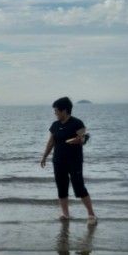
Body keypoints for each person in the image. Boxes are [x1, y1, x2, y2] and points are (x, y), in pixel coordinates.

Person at [40, 96, 97, 224]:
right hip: (58, 161)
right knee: (61, 188)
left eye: (56, 111)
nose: (55, 113)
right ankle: (65, 214)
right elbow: (51, 142)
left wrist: (81, 140)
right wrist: (44, 156)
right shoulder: (55, 125)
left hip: (74, 161)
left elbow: (84, 138)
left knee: (79, 187)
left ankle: (91, 214)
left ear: (64, 110)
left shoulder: (77, 123)